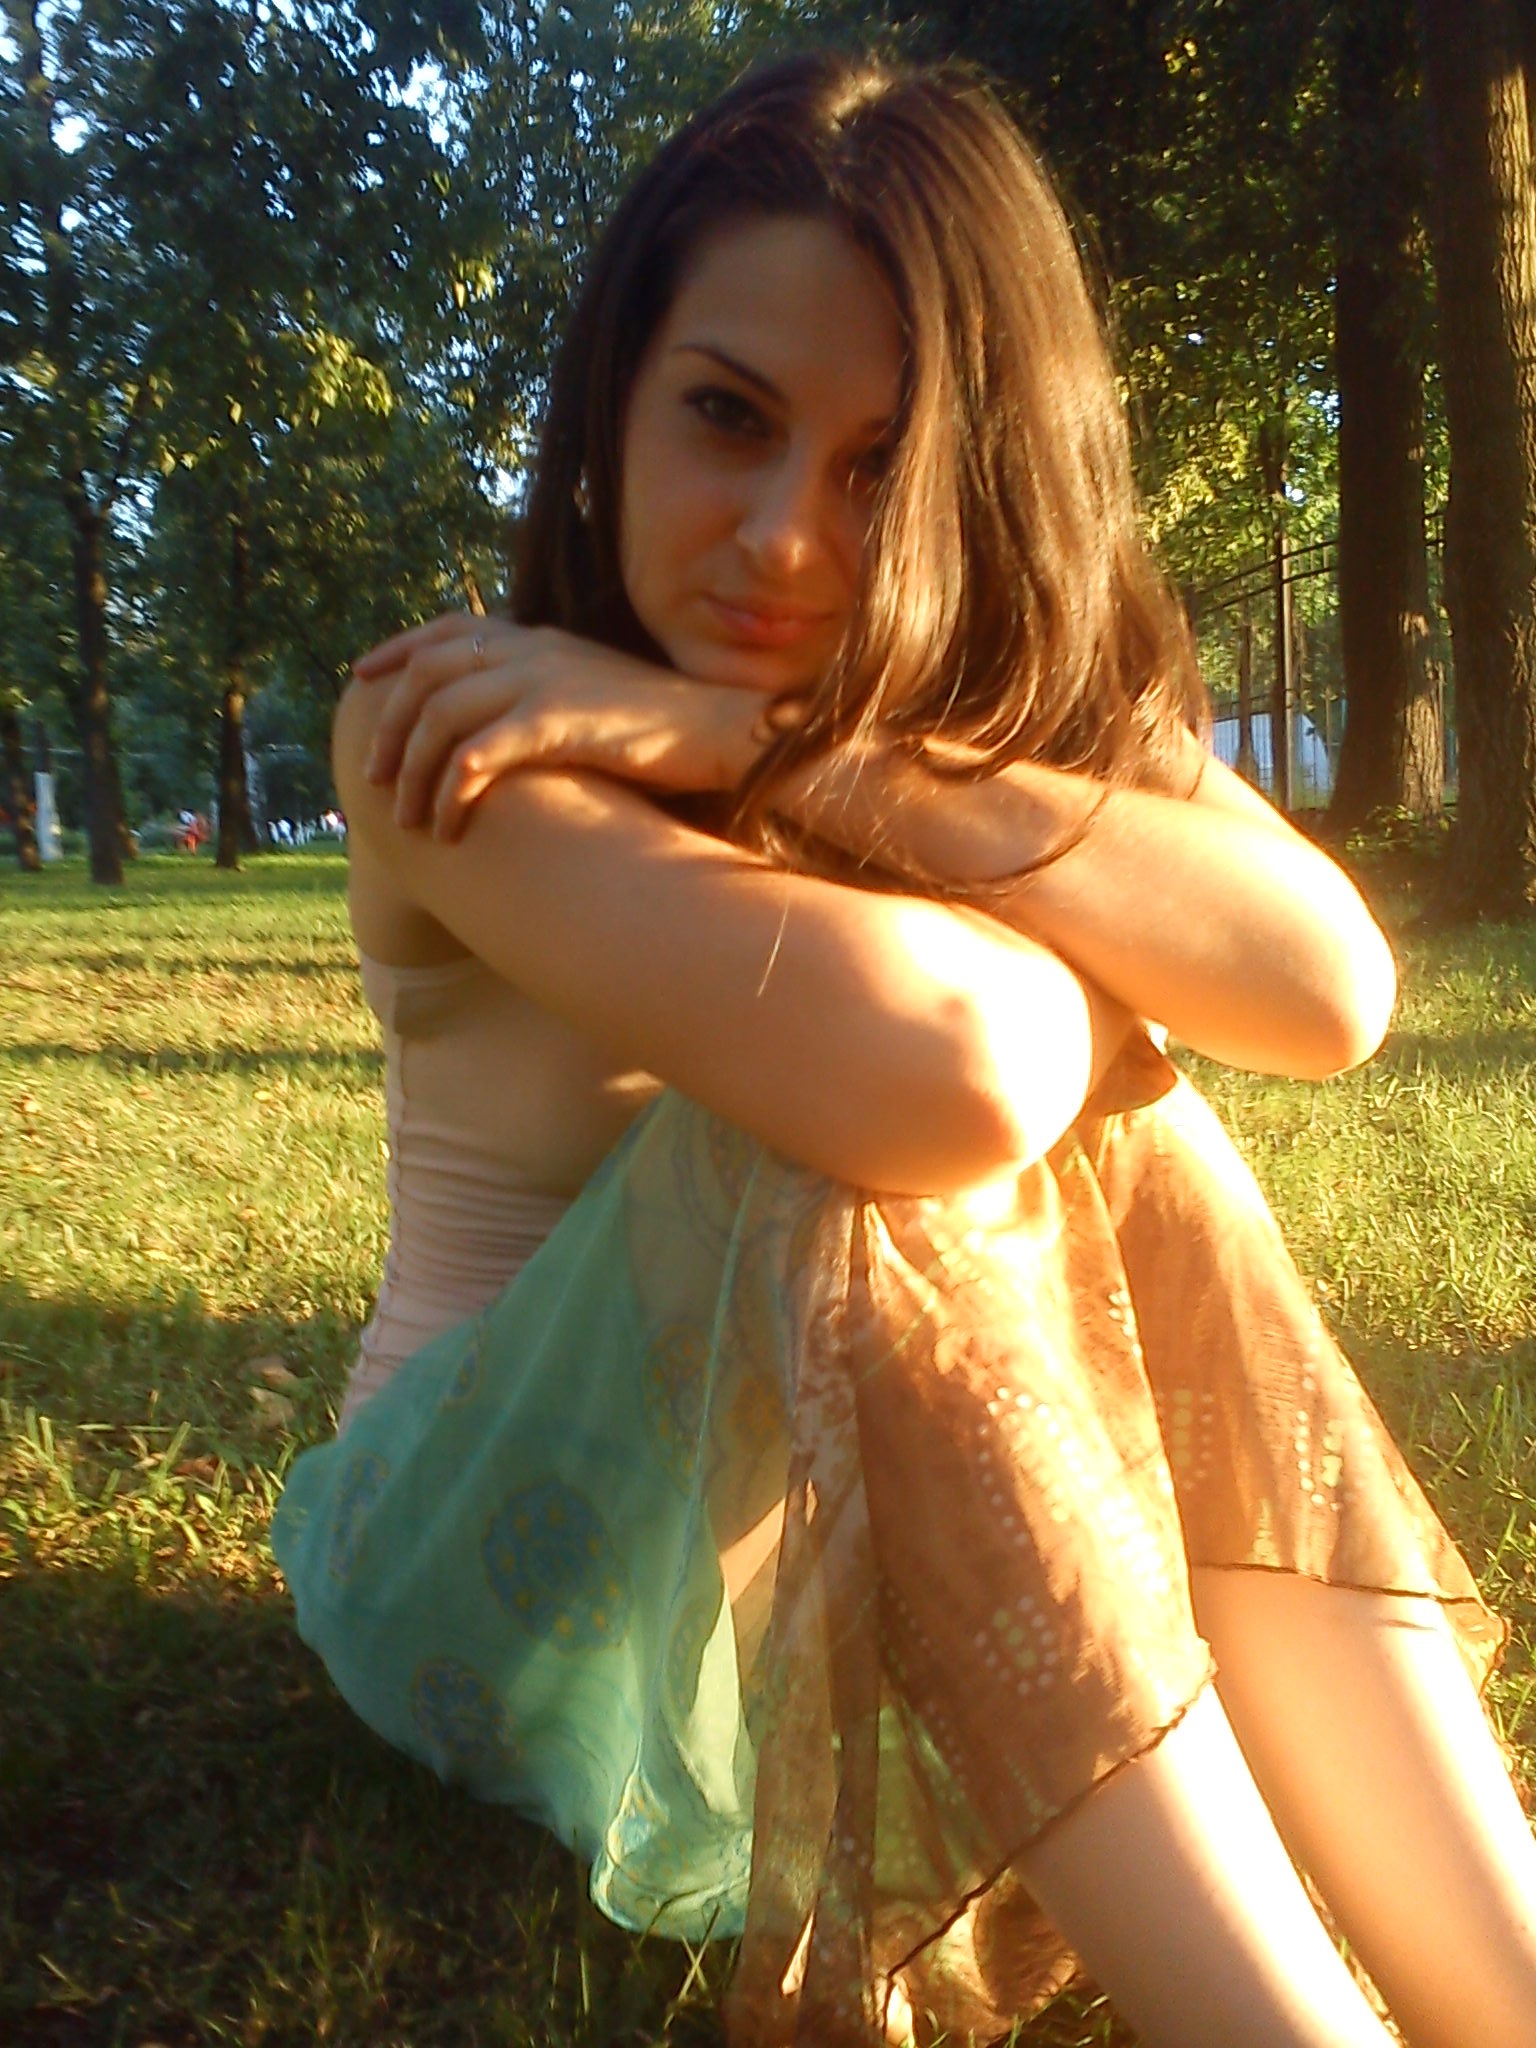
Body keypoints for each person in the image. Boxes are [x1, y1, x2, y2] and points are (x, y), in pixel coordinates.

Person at [271, 53, 1536, 2048]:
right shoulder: (456, 726)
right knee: (900, 1149)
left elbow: (1328, 987)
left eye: (881, 466)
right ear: (614, 402)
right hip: (489, 1586)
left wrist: (768, 745)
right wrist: (1065, 928)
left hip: (824, 1571)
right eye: (728, 416)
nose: (786, 538)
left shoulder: (964, 718)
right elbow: (955, 1074)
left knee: (1126, 1122)